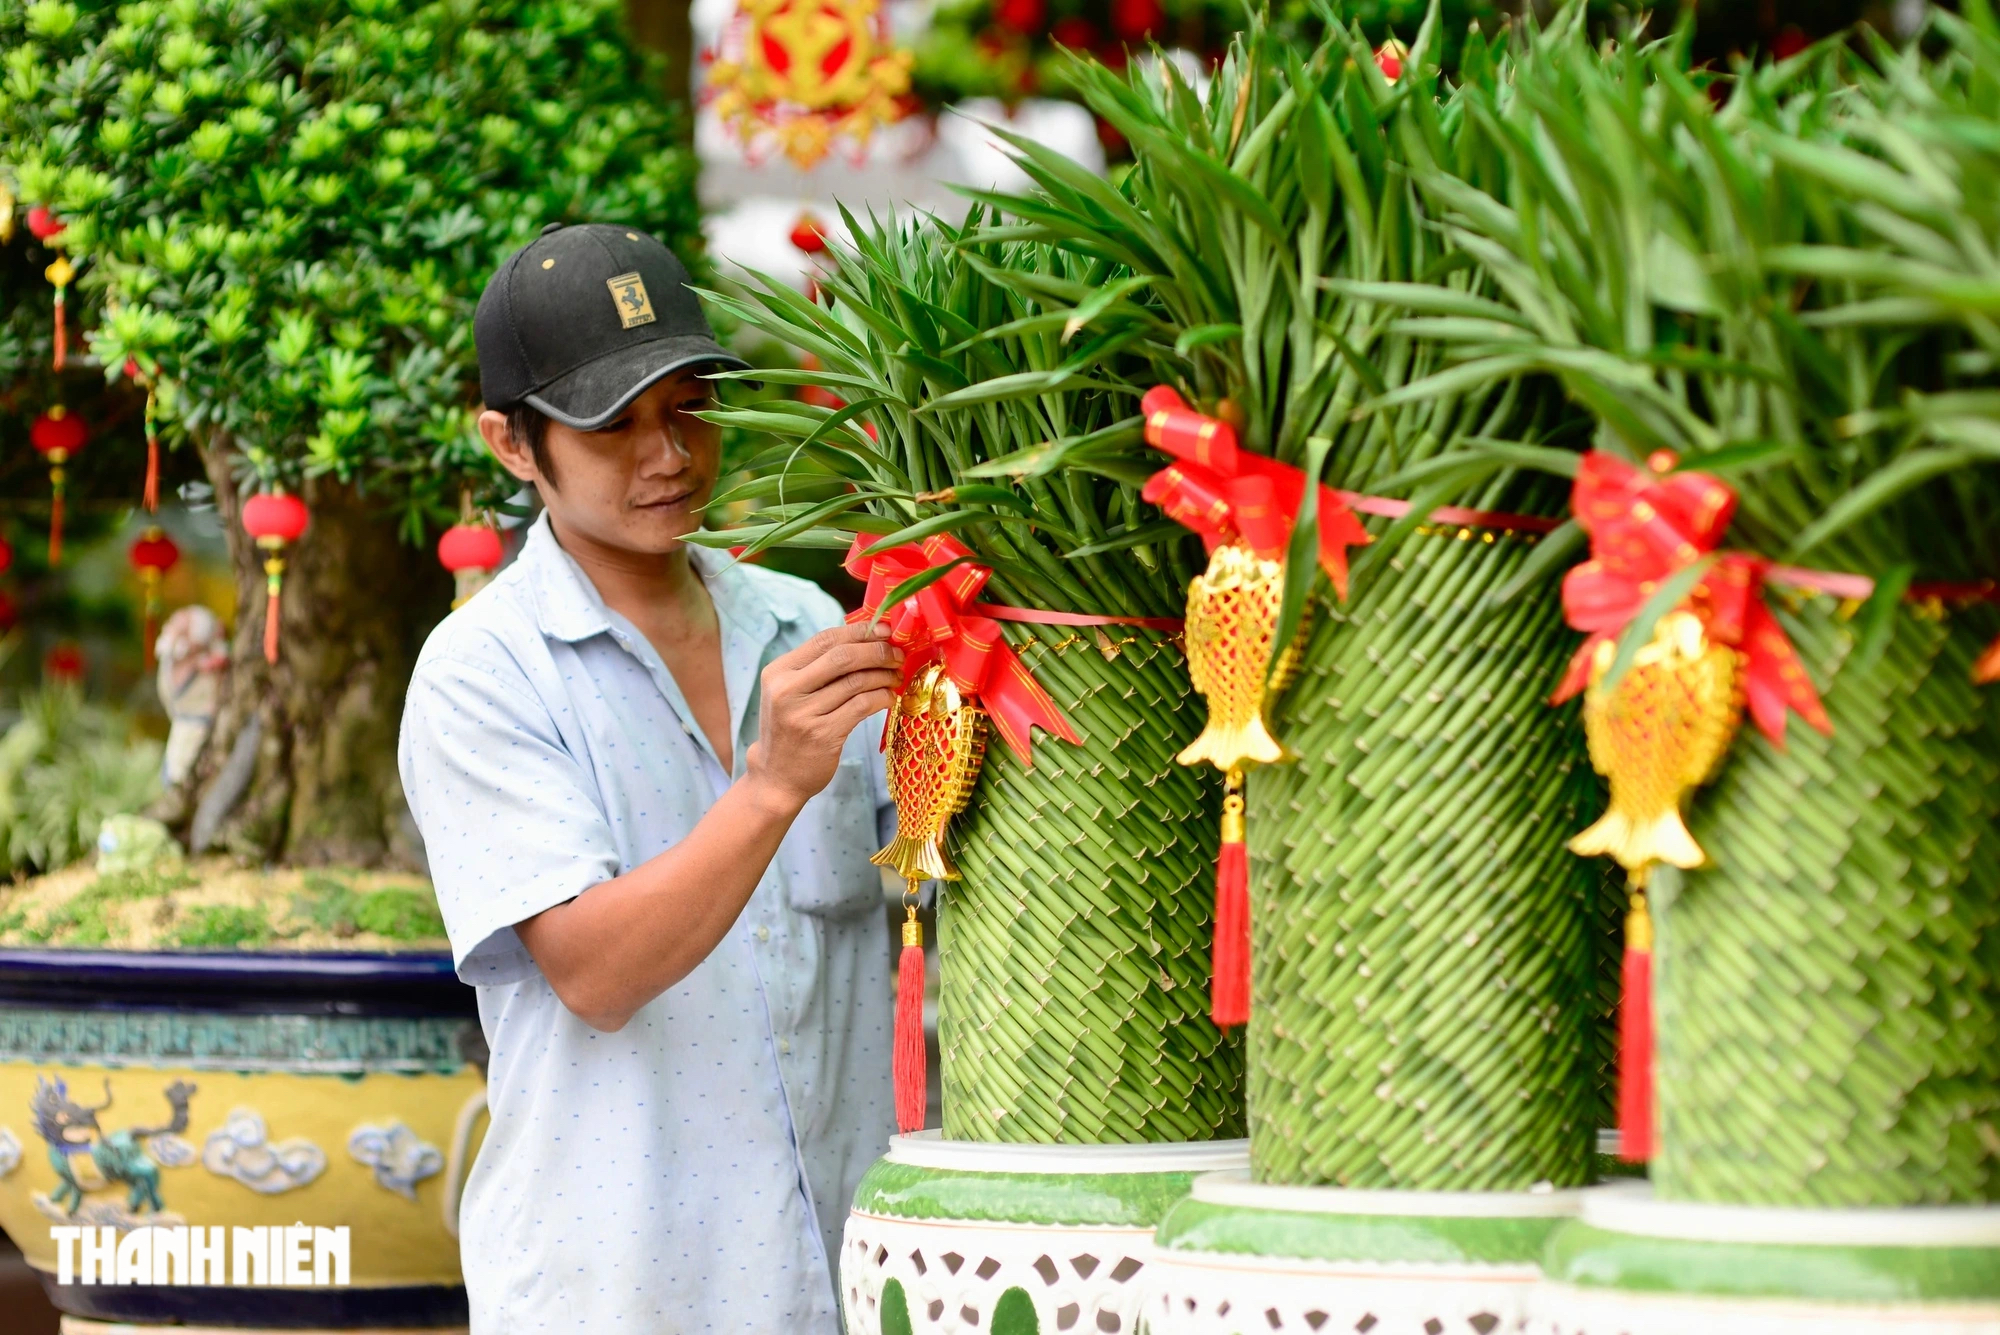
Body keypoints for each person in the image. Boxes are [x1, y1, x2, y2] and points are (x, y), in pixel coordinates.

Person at [398, 223, 902, 1332]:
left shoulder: (804, 626)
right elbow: (595, 973)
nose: (667, 454)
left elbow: (924, 911)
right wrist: (769, 787)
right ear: (511, 443)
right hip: (621, 1291)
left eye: (688, 406)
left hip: (849, 1279)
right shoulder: (480, 673)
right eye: (611, 425)